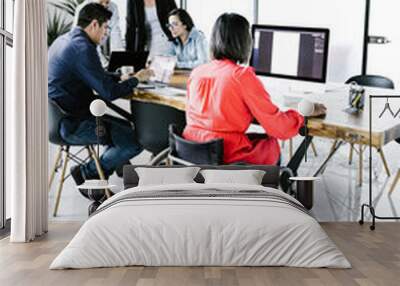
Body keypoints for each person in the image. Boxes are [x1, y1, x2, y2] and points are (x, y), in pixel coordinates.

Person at [183, 13, 326, 166]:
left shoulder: (197, 72)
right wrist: (304, 112)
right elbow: (280, 129)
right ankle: (281, 183)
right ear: (245, 42)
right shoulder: (241, 76)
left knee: (257, 140)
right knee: (270, 144)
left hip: (191, 152)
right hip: (224, 157)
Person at [48, 3, 153, 185]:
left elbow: (93, 75)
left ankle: (105, 173)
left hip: (60, 119)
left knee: (125, 127)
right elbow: (109, 92)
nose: (106, 34)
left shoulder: (66, 40)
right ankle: (86, 172)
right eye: (105, 28)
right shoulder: (83, 49)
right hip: (72, 125)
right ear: (94, 24)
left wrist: (121, 76)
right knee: (134, 141)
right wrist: (136, 79)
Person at [74, 0, 124, 66]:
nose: (105, 6)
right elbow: (86, 43)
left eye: (107, 2)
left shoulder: (113, 7)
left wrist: (119, 62)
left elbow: (115, 35)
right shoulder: (84, 8)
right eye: (101, 2)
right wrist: (104, 64)